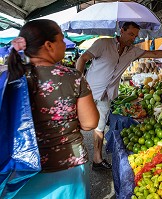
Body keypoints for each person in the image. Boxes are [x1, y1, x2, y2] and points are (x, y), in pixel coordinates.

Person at [76, 21, 162, 170]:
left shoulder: (132, 51)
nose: (133, 38)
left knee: (100, 127)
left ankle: (97, 160)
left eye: (135, 36)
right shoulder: (103, 43)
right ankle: (76, 160)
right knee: (77, 124)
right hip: (88, 92)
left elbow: (154, 53)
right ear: (121, 30)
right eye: (130, 34)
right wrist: (78, 82)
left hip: (106, 95)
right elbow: (82, 59)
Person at [8, 19, 99, 199]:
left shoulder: (9, 77)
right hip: (68, 165)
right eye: (62, 40)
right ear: (49, 45)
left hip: (21, 169)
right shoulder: (72, 77)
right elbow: (90, 123)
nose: (65, 45)